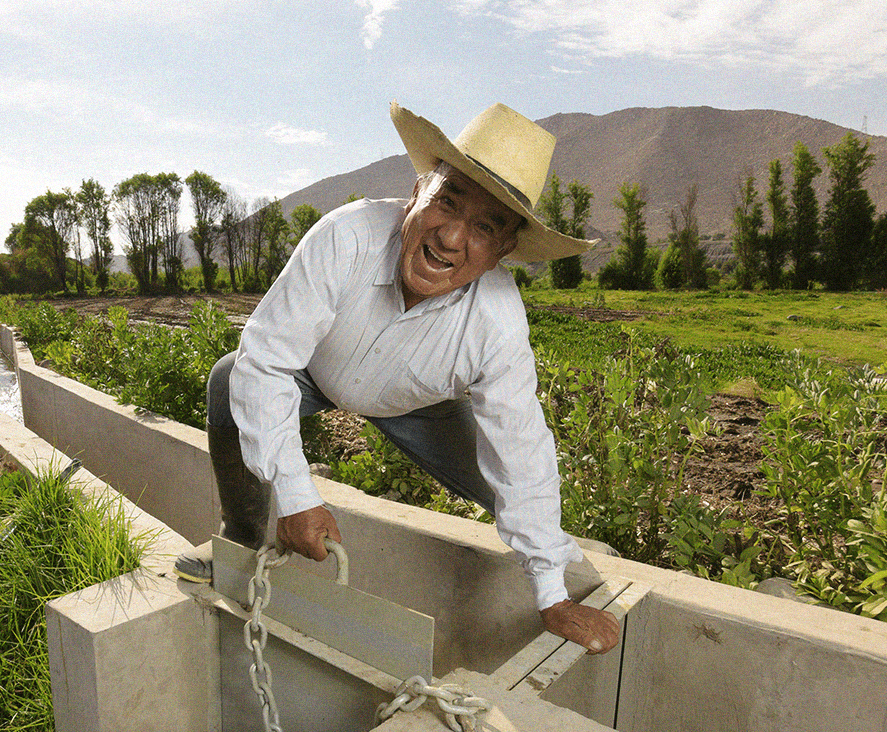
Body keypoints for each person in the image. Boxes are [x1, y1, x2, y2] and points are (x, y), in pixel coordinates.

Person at [176, 101, 621, 654]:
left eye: (485, 227)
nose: (452, 238)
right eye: (447, 203)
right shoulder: (347, 237)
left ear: (504, 251)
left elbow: (522, 451)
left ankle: (566, 569)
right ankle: (238, 538)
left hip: (418, 405)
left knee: (507, 487)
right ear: (416, 194)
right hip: (313, 374)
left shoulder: (498, 321)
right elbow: (267, 361)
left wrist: (553, 596)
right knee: (229, 380)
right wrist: (294, 496)